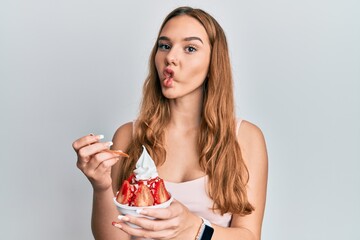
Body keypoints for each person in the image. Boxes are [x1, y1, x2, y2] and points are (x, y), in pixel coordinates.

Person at [72, 6, 268, 240]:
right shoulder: (128, 135)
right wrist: (101, 187)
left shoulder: (244, 137)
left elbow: (250, 236)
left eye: (190, 48)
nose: (171, 57)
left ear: (213, 62)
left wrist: (195, 227)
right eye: (164, 46)